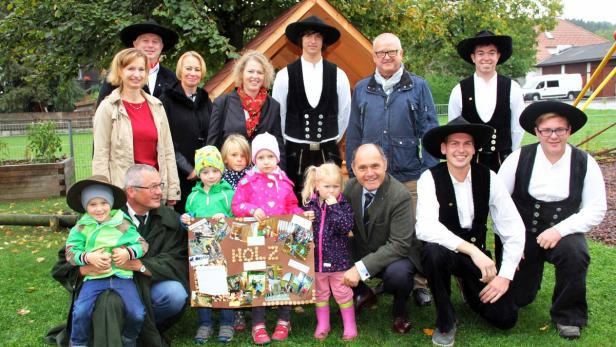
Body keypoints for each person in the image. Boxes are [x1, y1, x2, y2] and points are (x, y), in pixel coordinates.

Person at [498, 101, 607, 339]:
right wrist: (511, 242)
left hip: (563, 233)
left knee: (575, 253)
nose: (553, 136)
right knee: (519, 298)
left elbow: (596, 208)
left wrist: (559, 230)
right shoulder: (518, 159)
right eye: (547, 130)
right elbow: (499, 203)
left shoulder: (585, 162)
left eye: (560, 129)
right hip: (523, 233)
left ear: (569, 131)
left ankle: (568, 316)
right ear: (537, 132)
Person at [47, 165, 188, 347]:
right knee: (105, 303)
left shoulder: (170, 219)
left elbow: (177, 259)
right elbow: (64, 260)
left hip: (148, 284)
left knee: (175, 294)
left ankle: (141, 332)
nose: (159, 192)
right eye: (152, 187)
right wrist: (85, 267)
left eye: (160, 185)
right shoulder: (98, 215)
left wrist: (140, 266)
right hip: (106, 282)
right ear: (131, 191)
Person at [345, 32, 438, 307]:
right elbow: (354, 133)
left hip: (408, 174)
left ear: (401, 54)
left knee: (413, 233)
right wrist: (354, 176)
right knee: (367, 229)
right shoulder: (362, 88)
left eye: (392, 51)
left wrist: (427, 172)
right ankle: (367, 277)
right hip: (370, 176)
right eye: (381, 52)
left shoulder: (419, 86)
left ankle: (420, 284)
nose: (387, 57)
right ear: (373, 56)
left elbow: (430, 131)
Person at [416, 117, 525, 346]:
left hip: (477, 259)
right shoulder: (429, 178)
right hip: (445, 250)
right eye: (454, 143)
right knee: (433, 253)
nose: (461, 149)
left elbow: (513, 227)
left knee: (505, 318)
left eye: (467, 143)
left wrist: (504, 276)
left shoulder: (489, 178)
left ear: (475, 149)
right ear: (444, 148)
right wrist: (473, 250)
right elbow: (425, 227)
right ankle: (446, 320)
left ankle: (468, 288)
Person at [231, 132, 312, 345]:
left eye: (270, 157)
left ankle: (284, 320)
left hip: (281, 238)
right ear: (254, 160)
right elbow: (236, 207)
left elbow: (291, 206)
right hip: (257, 239)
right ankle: (258, 324)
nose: (266, 162)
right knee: (258, 278)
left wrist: (301, 214)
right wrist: (251, 209)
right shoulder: (247, 182)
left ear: (277, 157)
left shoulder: (285, 182)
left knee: (283, 276)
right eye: (260, 157)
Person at [342, 143, 422, 334]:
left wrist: (360, 269)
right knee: (331, 250)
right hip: (363, 250)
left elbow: (399, 244)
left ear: (385, 165)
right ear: (353, 169)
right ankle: (363, 293)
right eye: (362, 168)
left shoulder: (399, 195)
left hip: (396, 257)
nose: (369, 173)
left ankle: (400, 310)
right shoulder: (350, 189)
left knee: (399, 275)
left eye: (375, 166)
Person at [65, 176, 148, 347]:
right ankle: (78, 342)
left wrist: (128, 253)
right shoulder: (81, 227)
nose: (99, 209)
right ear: (85, 206)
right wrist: (89, 257)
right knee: (80, 311)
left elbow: (142, 244)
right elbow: (70, 253)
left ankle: (129, 338)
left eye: (104, 203)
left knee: (137, 313)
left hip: (122, 277)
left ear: (110, 203)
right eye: (92, 204)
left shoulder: (122, 223)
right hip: (94, 278)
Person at [272, 15, 351, 193]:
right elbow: (280, 113)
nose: (313, 41)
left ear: (323, 41)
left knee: (330, 202)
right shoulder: (284, 75)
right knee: (296, 204)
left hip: (328, 151)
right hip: (295, 153)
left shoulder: (339, 75)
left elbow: (344, 113)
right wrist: (292, 140)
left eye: (317, 36)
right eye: (308, 36)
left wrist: (330, 139)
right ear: (301, 40)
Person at [92, 48, 180, 205]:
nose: (137, 74)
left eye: (141, 69)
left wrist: (172, 189)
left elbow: (167, 151)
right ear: (120, 71)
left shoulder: (157, 106)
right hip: (124, 192)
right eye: (131, 69)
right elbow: (100, 155)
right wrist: (103, 194)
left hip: (155, 191)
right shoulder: (108, 107)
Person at [180, 146, 236, 343]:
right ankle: (205, 323)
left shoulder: (229, 194)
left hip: (225, 247)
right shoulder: (193, 196)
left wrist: (227, 217)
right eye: (205, 171)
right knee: (203, 282)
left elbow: (238, 219)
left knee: (226, 283)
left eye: (215, 170)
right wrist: (185, 219)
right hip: (201, 249)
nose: (210, 175)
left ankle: (227, 323)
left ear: (222, 170)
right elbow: (189, 219)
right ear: (198, 173)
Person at [448, 30, 525, 172]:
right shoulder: (459, 90)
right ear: (473, 57)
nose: (486, 58)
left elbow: (517, 128)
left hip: (504, 161)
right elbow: (454, 130)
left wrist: (512, 158)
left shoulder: (512, 88)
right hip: (469, 162)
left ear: (498, 56)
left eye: (491, 52)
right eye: (481, 53)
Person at [301, 163, 356, 341]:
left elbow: (345, 227)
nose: (331, 191)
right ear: (317, 185)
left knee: (342, 293)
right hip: (316, 262)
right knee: (321, 293)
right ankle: (323, 324)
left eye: (335, 186)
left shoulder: (343, 205)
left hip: (339, 262)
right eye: (326, 186)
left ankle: (350, 325)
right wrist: (304, 217)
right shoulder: (310, 204)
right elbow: (300, 228)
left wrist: (334, 208)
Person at [207, 50, 285, 168]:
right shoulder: (223, 103)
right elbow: (212, 146)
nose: (255, 76)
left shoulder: (273, 106)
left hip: (262, 178)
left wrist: (282, 178)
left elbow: (278, 147)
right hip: (230, 178)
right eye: (250, 71)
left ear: (265, 76)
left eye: (259, 72)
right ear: (241, 74)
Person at [160, 51, 213, 213]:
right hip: (180, 174)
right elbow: (165, 139)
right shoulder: (166, 99)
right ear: (180, 71)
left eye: (197, 69)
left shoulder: (205, 99)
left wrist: (206, 167)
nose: (193, 73)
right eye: (188, 68)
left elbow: (211, 134)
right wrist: (188, 169)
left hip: (205, 174)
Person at [97, 19, 179, 106]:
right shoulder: (118, 75)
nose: (150, 45)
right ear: (135, 44)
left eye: (155, 41)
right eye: (145, 41)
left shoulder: (172, 79)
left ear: (162, 46)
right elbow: (102, 110)